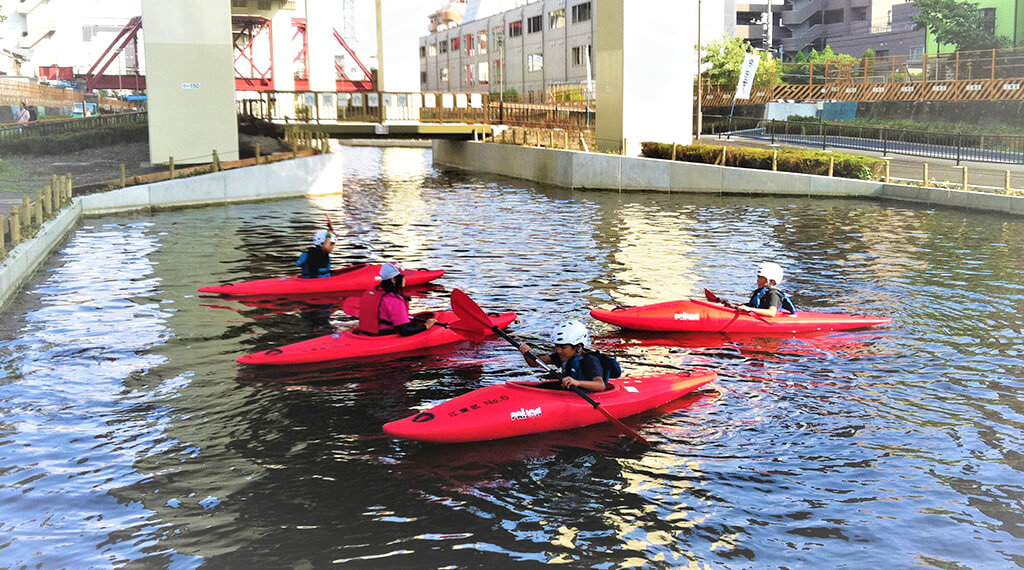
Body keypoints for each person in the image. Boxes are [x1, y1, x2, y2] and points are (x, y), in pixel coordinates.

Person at [518, 319, 621, 393]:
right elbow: (533, 363)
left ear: (578, 346)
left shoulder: (589, 360)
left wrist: (577, 383)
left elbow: (600, 386)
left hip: (589, 396)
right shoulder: (563, 356)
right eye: (557, 346)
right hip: (570, 393)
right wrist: (526, 352)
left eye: (563, 347)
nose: (558, 350)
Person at [357, 263, 437, 336]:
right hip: (383, 336)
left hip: (366, 333)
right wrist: (426, 326)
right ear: (393, 279)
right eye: (403, 277)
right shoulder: (394, 300)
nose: (405, 279)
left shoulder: (371, 292)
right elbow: (405, 331)